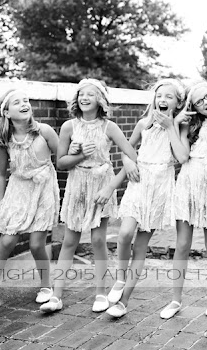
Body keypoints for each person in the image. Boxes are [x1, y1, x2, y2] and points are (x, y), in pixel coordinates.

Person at [40, 78, 138, 313]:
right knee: (69, 241)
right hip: (77, 185)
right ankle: (57, 295)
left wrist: (112, 185)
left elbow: (132, 153)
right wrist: (80, 155)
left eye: (90, 94)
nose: (84, 98)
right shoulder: (69, 127)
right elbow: (61, 163)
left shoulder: (109, 127)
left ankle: (101, 293)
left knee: (97, 240)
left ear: (100, 100)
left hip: (101, 185)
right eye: (81, 94)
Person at [100, 78, 187, 318]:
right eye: (160, 96)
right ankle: (119, 278)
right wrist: (128, 161)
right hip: (140, 182)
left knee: (141, 245)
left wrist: (171, 126)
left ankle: (124, 300)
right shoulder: (142, 124)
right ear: (154, 100)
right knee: (125, 233)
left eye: (169, 97)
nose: (163, 100)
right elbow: (126, 148)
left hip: (160, 187)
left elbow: (181, 158)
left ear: (177, 103)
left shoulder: (180, 127)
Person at [0, 89, 60, 313]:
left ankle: (46, 286)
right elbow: (1, 173)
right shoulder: (5, 138)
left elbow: (63, 158)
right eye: (17, 102)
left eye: (26, 100)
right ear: (7, 112)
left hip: (43, 188)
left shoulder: (45, 132)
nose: (24, 104)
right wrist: (2, 203)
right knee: (7, 241)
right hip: (18, 189)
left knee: (36, 244)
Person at [159, 81, 207, 319]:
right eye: (200, 101)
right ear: (194, 107)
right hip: (188, 184)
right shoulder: (190, 125)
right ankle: (175, 300)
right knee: (182, 245)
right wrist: (173, 126)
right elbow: (181, 157)